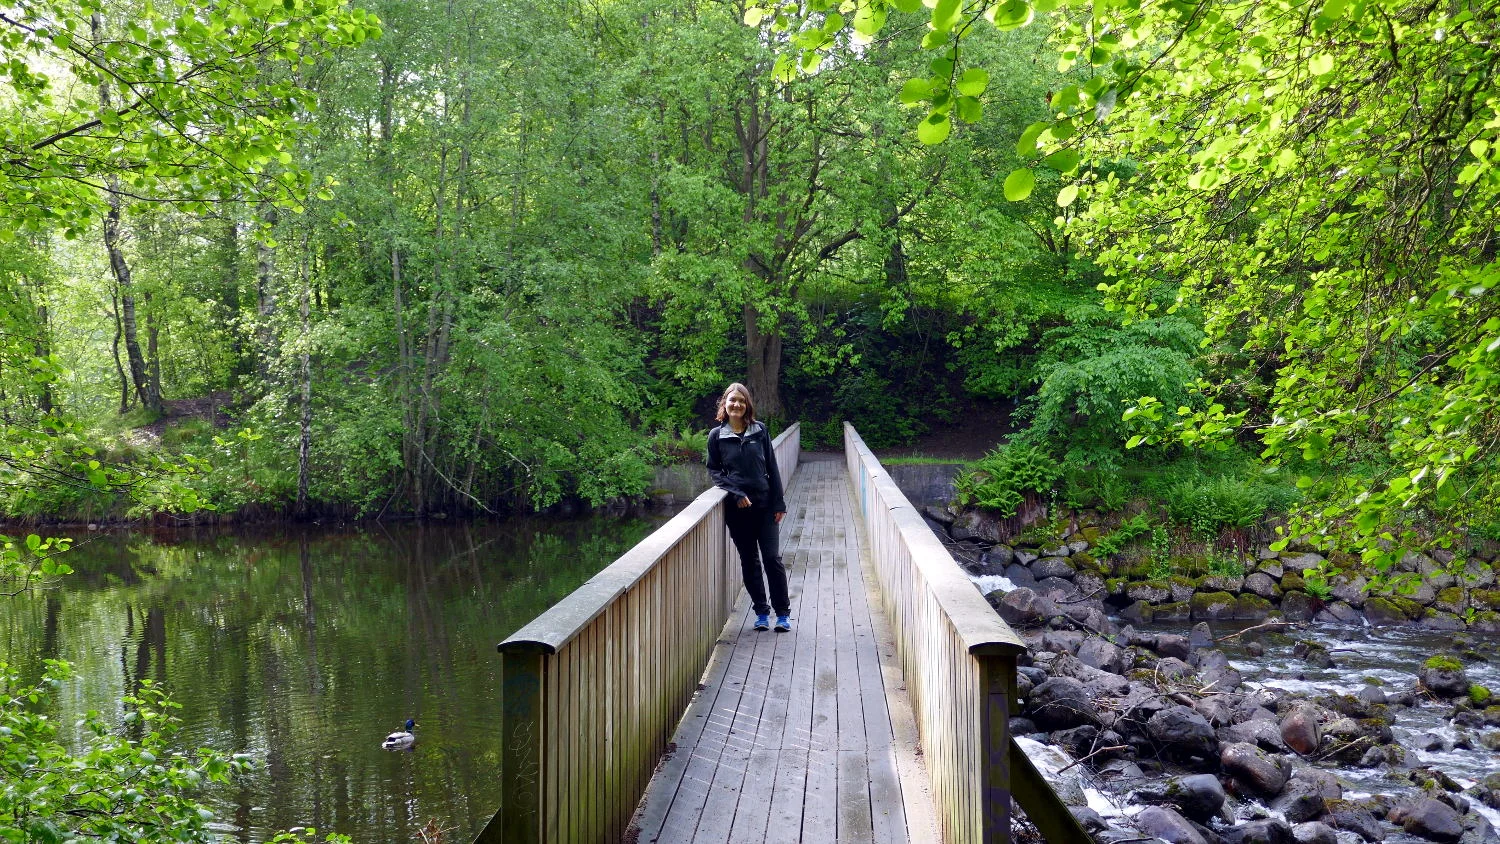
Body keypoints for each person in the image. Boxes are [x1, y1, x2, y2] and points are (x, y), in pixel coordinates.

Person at [705, 382, 790, 632]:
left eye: (741, 401)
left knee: (772, 558)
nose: (737, 404)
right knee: (749, 560)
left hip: (765, 506)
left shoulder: (759, 431)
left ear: (747, 405)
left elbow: (772, 469)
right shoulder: (716, 436)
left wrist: (779, 502)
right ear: (725, 404)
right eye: (732, 400)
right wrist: (736, 492)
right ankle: (761, 612)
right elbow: (714, 471)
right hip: (738, 510)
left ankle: (783, 613)